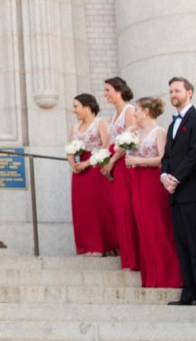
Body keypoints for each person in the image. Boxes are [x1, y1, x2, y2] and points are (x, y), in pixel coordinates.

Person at [160, 77, 196, 305]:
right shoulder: (172, 124)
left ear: (189, 92)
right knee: (183, 244)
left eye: (177, 90)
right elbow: (167, 156)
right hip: (176, 196)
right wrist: (164, 176)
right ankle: (190, 292)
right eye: (171, 91)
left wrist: (176, 178)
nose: (173, 94)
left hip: (195, 193)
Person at [124, 97, 182, 289]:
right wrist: (127, 134)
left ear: (146, 112)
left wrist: (138, 161)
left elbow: (163, 160)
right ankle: (152, 277)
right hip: (138, 183)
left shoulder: (159, 132)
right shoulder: (137, 133)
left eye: (137, 111)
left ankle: (169, 276)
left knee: (157, 226)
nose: (134, 114)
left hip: (153, 183)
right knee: (144, 227)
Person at [68, 94, 116, 256]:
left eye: (76, 106)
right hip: (79, 171)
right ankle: (87, 245)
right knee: (81, 209)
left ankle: (100, 246)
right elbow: (69, 149)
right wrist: (73, 164)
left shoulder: (100, 123)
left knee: (97, 207)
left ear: (87, 107)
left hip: (95, 168)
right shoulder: (74, 128)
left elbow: (106, 145)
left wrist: (88, 163)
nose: (74, 110)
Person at [100, 76, 139, 270]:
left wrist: (113, 160)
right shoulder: (114, 116)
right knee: (119, 212)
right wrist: (104, 159)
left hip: (125, 164)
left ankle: (135, 258)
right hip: (115, 164)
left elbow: (130, 138)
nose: (105, 94)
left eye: (108, 90)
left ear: (119, 91)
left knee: (127, 209)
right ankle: (127, 257)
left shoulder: (129, 110)